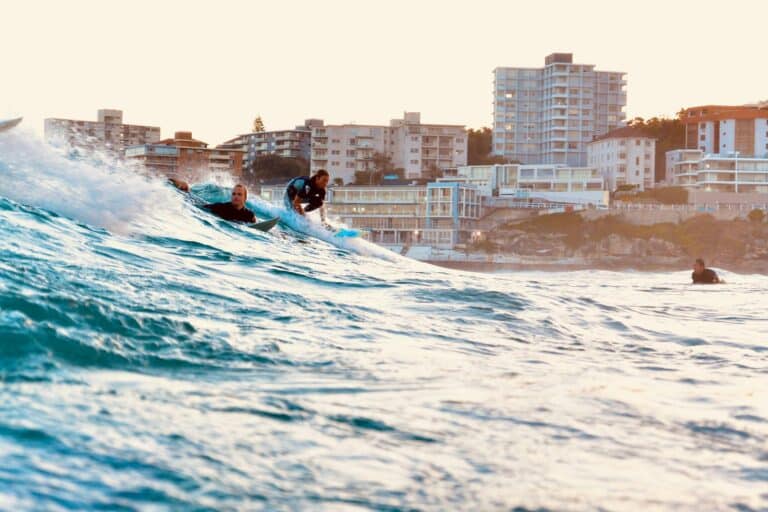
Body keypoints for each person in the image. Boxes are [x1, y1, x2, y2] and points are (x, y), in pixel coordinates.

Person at [169, 178, 256, 223]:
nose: (236, 196)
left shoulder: (249, 215)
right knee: (195, 201)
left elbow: (255, 225)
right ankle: (185, 190)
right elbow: (201, 207)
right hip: (209, 207)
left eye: (239, 194)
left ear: (245, 198)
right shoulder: (223, 208)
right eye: (234, 194)